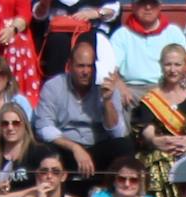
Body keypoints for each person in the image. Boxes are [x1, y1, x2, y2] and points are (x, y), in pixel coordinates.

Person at [34, 42, 131, 181]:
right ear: (69, 66)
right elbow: (43, 127)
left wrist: (107, 101)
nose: (85, 71)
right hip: (67, 149)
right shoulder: (53, 87)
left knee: (124, 145)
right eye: (80, 66)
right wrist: (75, 148)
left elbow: (117, 132)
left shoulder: (107, 87)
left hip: (97, 147)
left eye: (90, 66)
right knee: (44, 150)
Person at [133, 43, 186, 197]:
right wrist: (156, 140)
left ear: (185, 66)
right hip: (160, 147)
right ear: (161, 65)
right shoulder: (151, 98)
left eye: (177, 64)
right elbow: (147, 128)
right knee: (158, 162)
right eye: (168, 64)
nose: (173, 69)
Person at [110, 0, 186, 95]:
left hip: (166, 87)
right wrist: (120, 85)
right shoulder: (121, 34)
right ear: (133, 6)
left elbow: (184, 67)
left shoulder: (174, 32)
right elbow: (111, 69)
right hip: (131, 89)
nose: (148, 7)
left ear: (160, 6)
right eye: (142, 3)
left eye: (153, 3)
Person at [0, 101, 36, 197]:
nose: (10, 128)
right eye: (5, 124)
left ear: (25, 125)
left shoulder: (39, 153)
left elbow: (46, 187)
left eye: (16, 123)